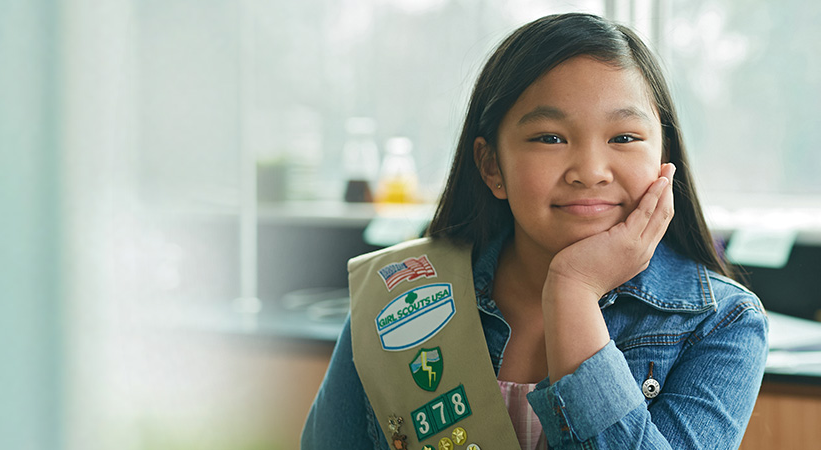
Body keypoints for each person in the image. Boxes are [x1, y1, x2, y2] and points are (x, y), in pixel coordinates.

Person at [302, 13, 767, 450]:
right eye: (550, 137)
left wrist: (574, 290)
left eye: (624, 137)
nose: (590, 171)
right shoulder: (398, 294)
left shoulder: (721, 322)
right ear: (491, 166)